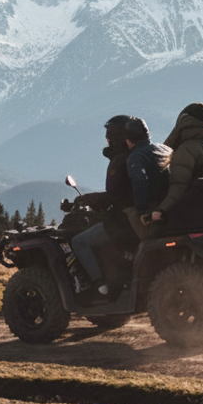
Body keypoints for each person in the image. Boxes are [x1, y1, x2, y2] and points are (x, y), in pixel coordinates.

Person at [69, 115, 170, 297]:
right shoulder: (158, 151)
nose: (106, 139)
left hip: (127, 221)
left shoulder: (125, 160)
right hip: (159, 213)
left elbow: (117, 197)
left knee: (79, 241)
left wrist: (87, 200)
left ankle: (101, 287)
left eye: (109, 135)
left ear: (122, 137)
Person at [142, 102, 203, 227]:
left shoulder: (186, 150)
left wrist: (160, 210)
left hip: (191, 213)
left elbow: (178, 187)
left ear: (184, 121)